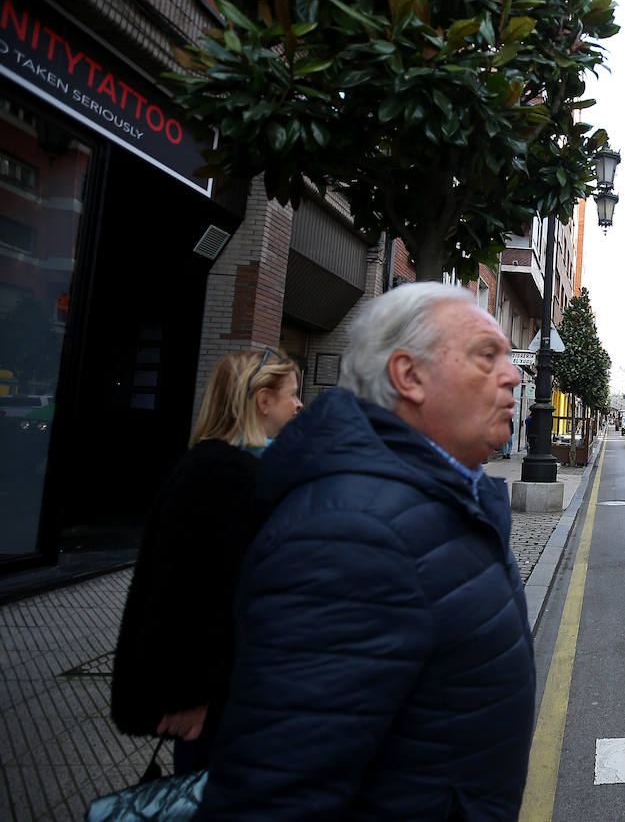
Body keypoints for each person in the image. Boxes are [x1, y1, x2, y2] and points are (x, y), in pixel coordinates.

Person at [197, 283, 532, 821]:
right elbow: (275, 793)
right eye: (485, 355)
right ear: (409, 376)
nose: (512, 373)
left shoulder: (439, 499)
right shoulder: (352, 534)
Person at [111, 347, 301, 774]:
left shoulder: (218, 466)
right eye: (291, 393)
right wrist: (191, 697)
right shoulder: (224, 477)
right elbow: (194, 596)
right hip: (216, 703)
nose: (299, 404)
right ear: (263, 400)